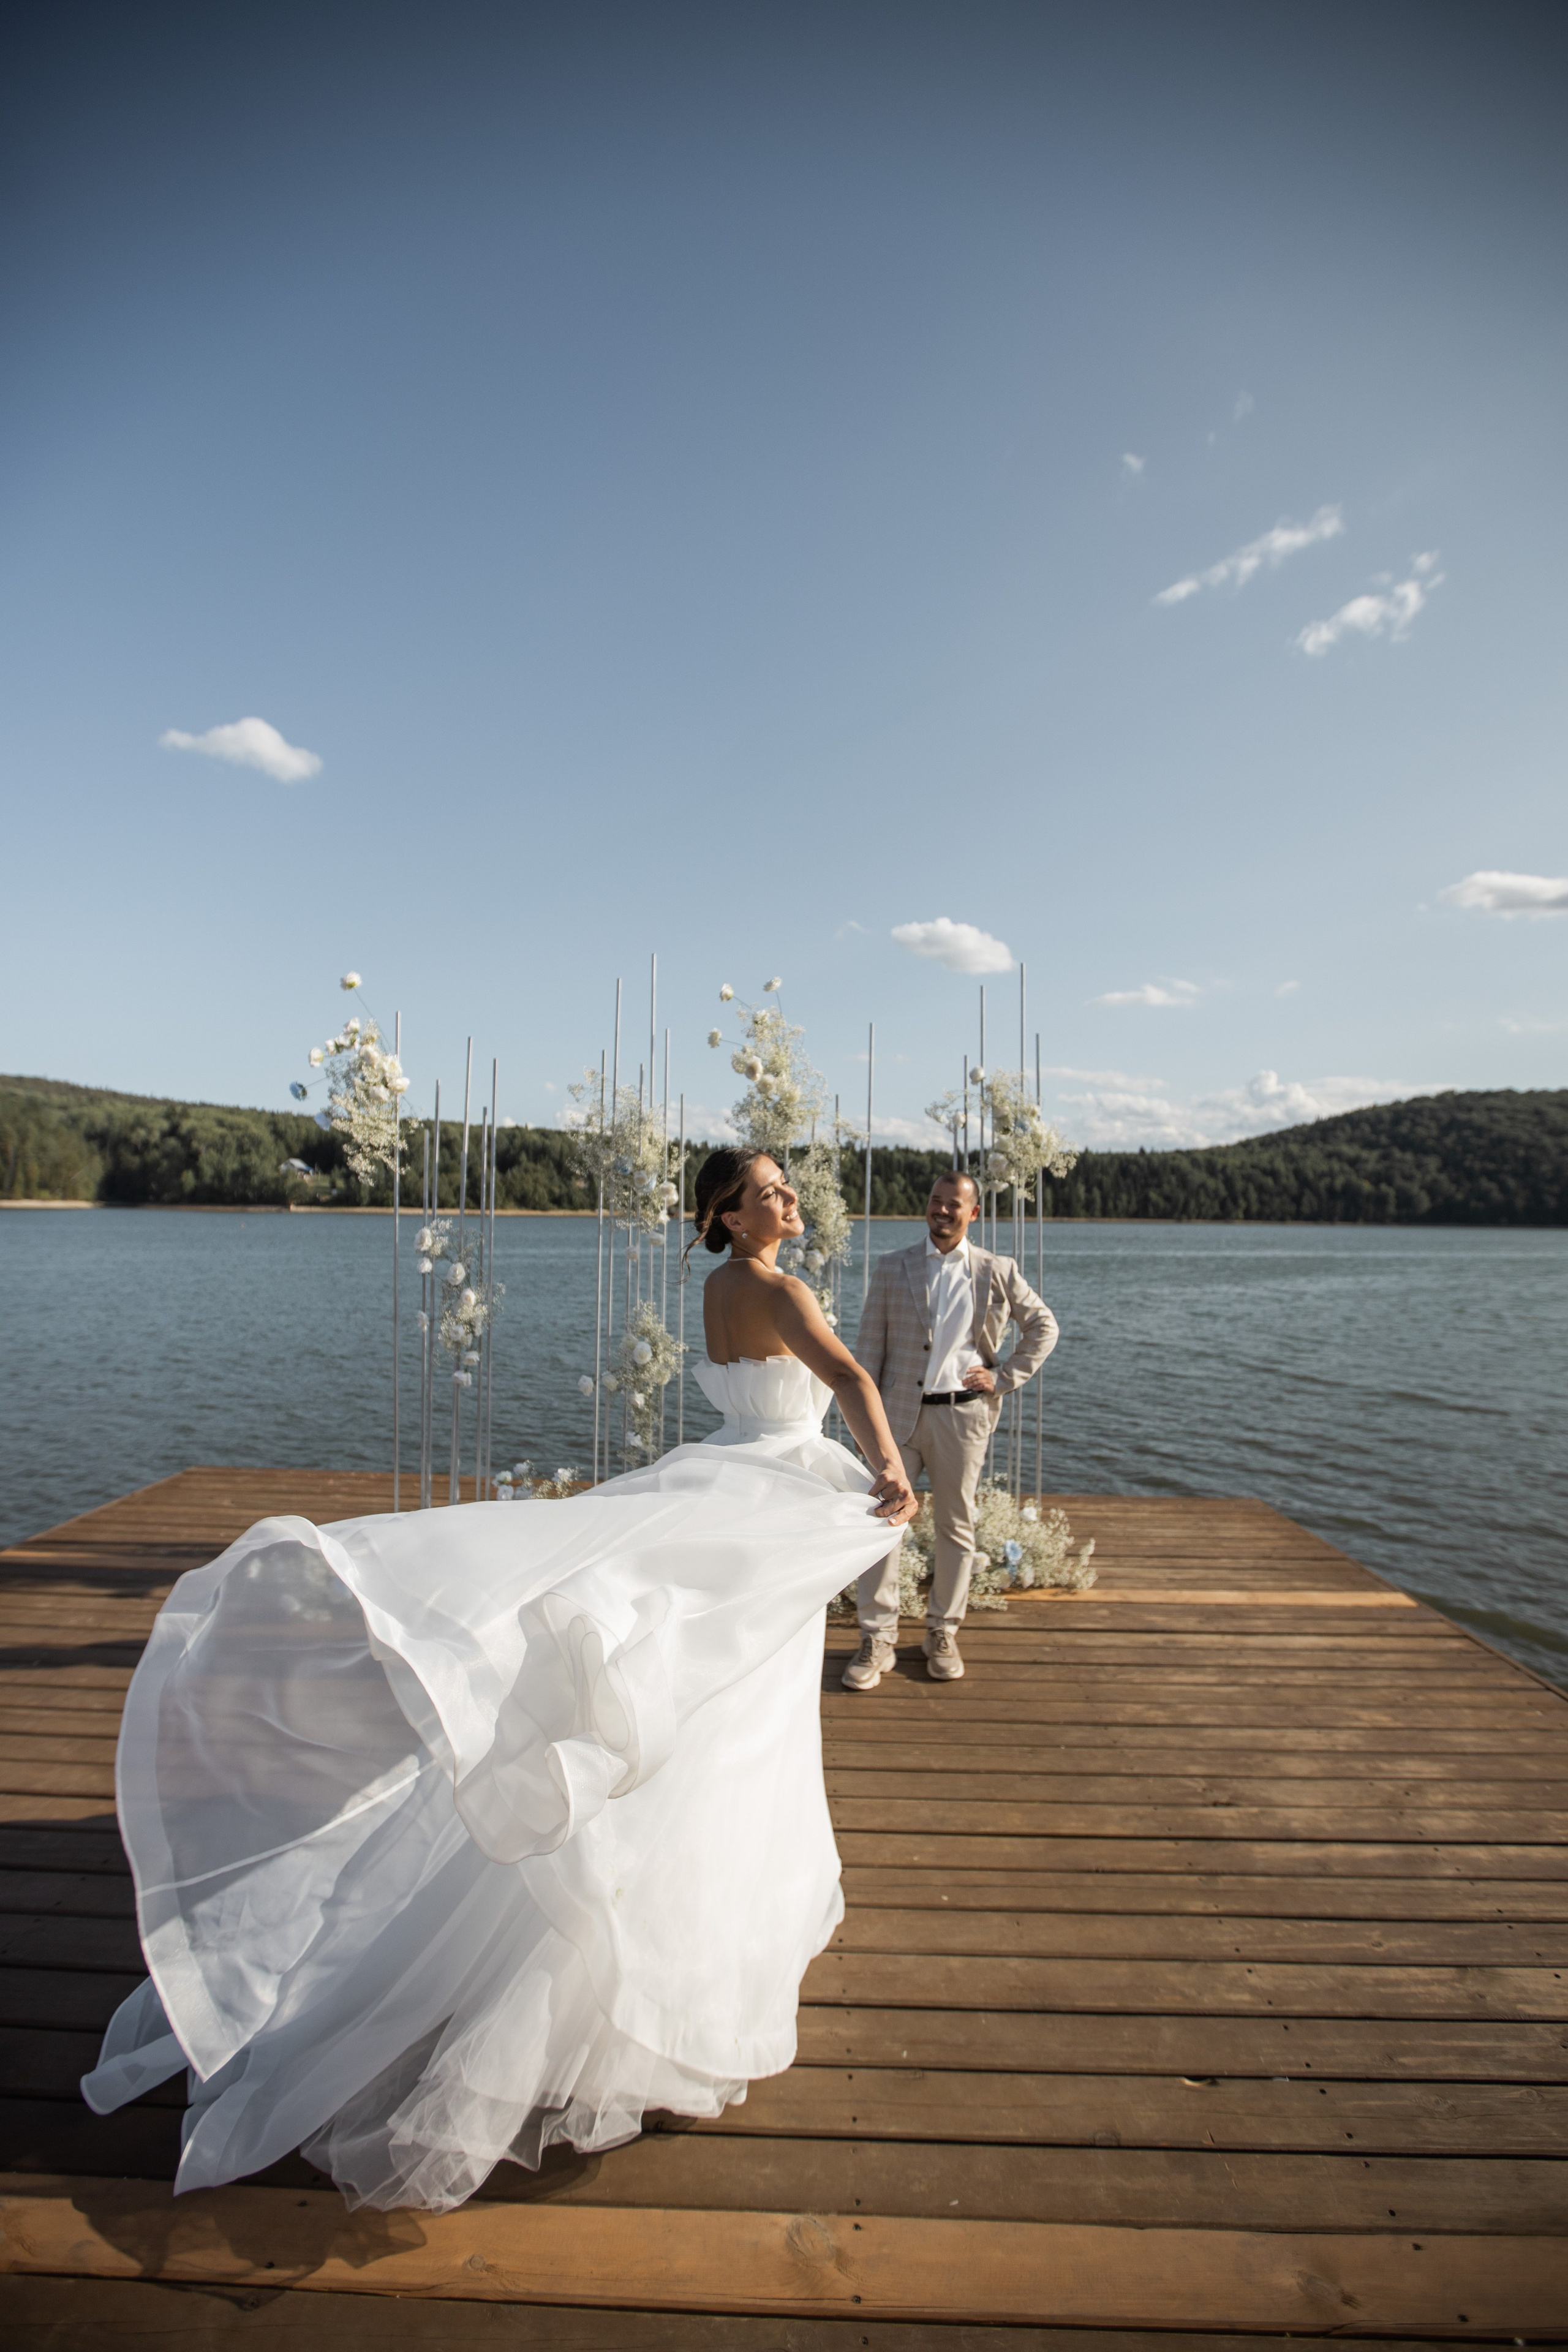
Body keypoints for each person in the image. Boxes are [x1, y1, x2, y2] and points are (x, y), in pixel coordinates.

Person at [81, 1146, 916, 2215]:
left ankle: (659, 1944)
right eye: (769, 1192)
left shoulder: (716, 1287)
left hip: (731, 1474)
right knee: (739, 1715)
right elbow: (847, 1380)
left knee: (714, 1705)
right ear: (727, 1211)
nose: (789, 1200)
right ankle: (676, 1991)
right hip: (772, 1498)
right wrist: (891, 1471)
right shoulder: (781, 1290)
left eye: (786, 1187)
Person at [845, 1170, 1058, 1689]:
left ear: (973, 1213)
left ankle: (942, 1630)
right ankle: (877, 1637)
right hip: (896, 1419)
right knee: (883, 1523)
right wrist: (863, 1423)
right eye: (935, 1201)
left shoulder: (996, 1270)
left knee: (956, 1527)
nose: (941, 1210)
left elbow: (1044, 1326)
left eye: (953, 1204)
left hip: (963, 1419)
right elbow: (869, 1350)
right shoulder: (892, 1267)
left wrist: (1004, 1377)